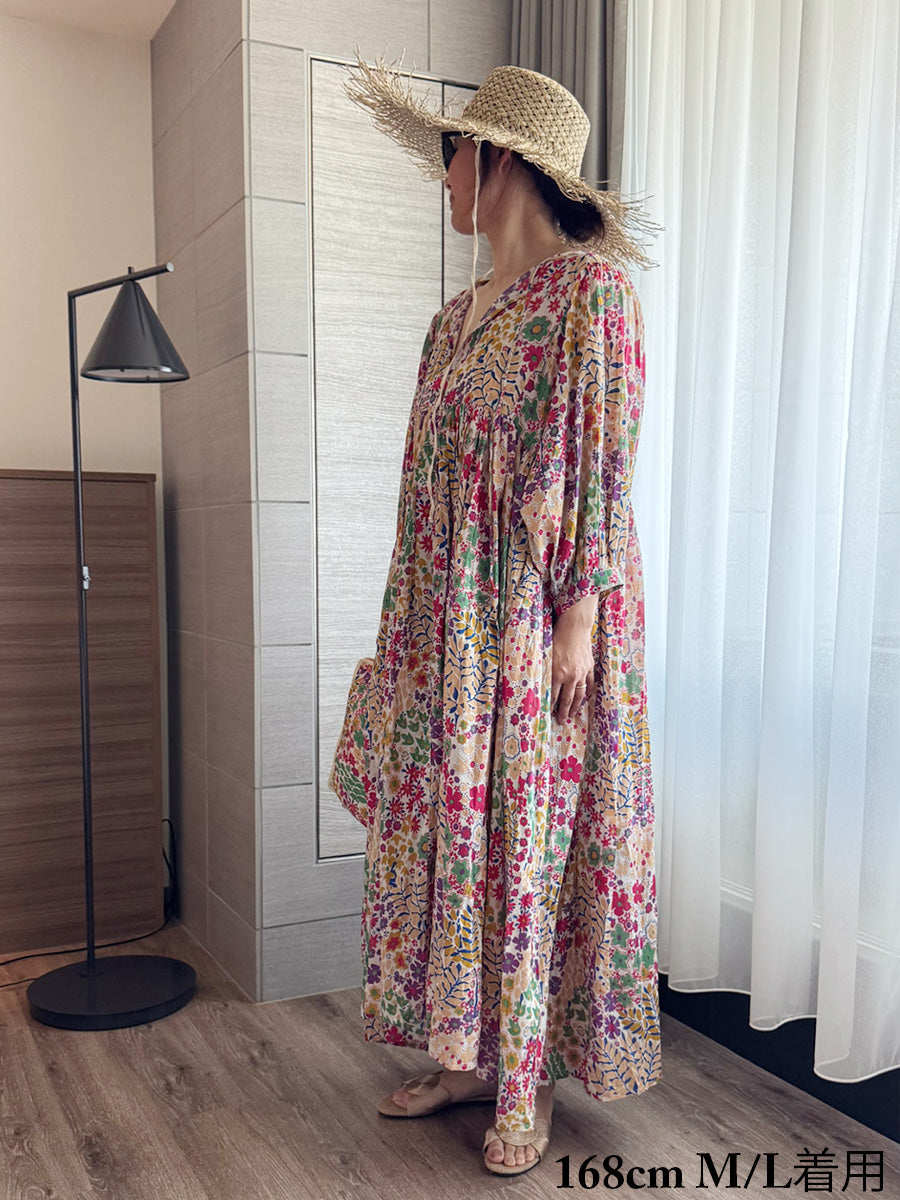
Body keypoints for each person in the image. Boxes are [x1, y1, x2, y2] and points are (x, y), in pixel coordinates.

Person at [330, 54, 661, 1178]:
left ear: (496, 159)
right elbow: (423, 489)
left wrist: (580, 619)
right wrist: (399, 636)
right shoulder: (449, 323)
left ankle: (527, 1082)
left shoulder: (591, 296)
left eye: (449, 157)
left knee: (525, 840)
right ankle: (466, 1057)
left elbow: (605, 470)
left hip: (532, 618)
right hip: (440, 622)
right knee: (452, 837)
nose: (443, 180)